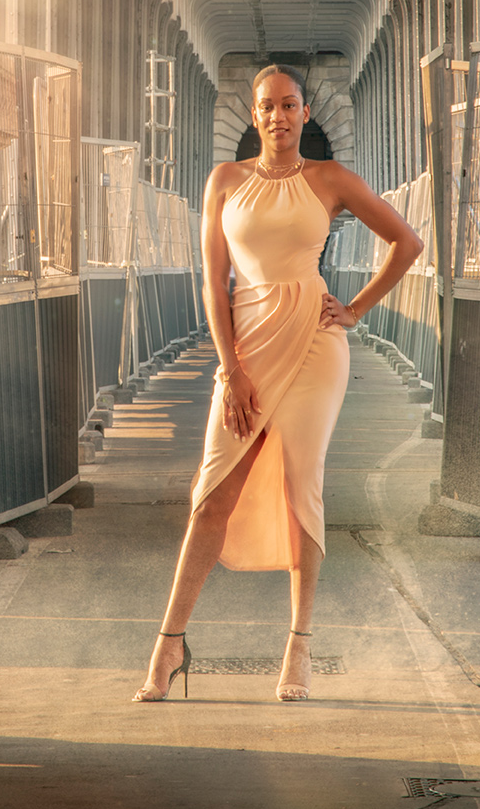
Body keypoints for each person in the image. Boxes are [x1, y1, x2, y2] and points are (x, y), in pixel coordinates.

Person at [133, 64, 423, 703]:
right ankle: (169, 645)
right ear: (254, 115)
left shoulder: (331, 179)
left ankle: (299, 646)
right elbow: (213, 284)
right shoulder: (225, 181)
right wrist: (230, 368)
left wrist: (355, 309)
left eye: (290, 105)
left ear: (305, 112)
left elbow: (407, 242)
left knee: (300, 486)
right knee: (212, 494)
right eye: (268, 106)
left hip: (316, 344)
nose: (279, 116)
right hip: (247, 346)